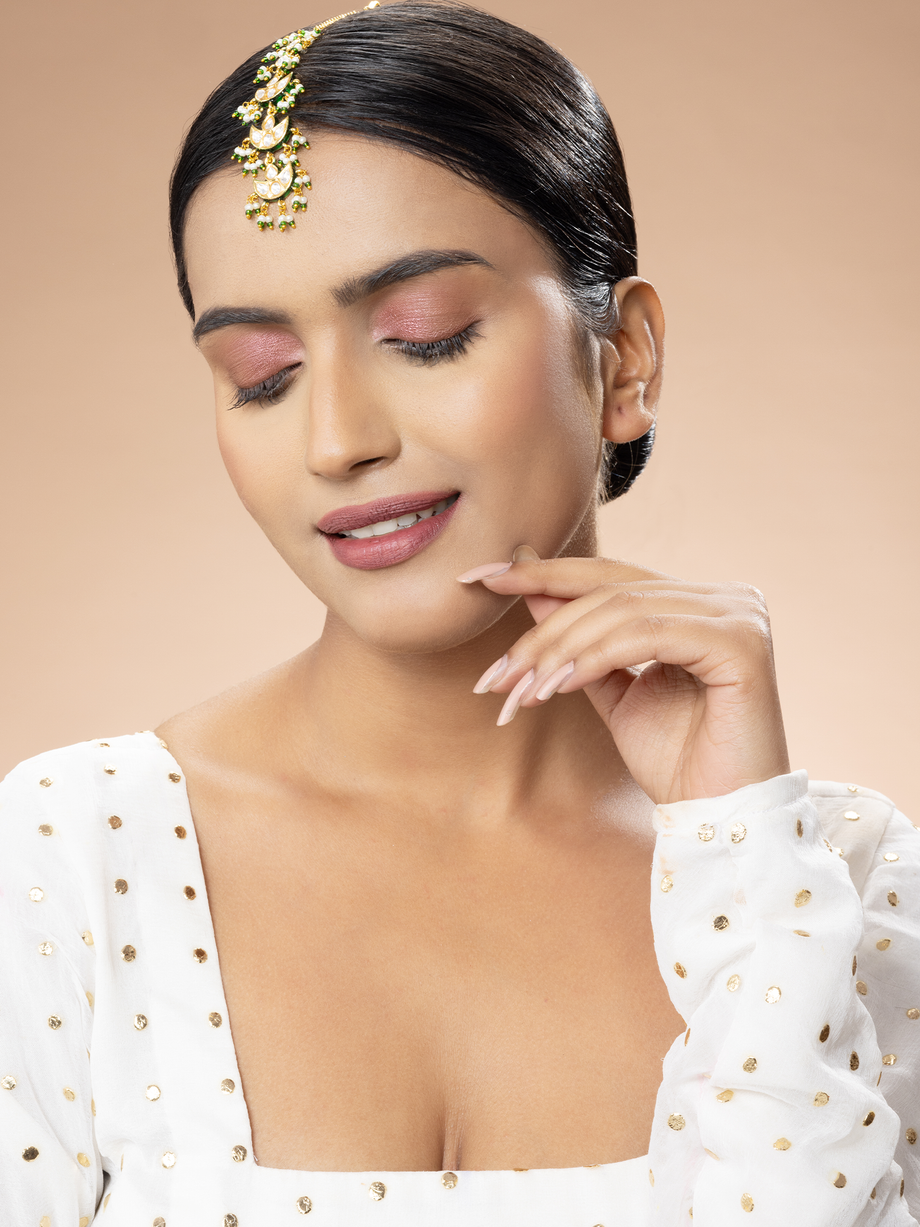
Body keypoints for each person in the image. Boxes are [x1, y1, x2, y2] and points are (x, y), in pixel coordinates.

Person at [1, 3, 917, 1224]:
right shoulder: (70, 859)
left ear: (626, 360)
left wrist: (736, 844)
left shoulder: (829, 883)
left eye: (422, 338)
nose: (336, 441)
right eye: (260, 379)